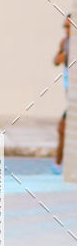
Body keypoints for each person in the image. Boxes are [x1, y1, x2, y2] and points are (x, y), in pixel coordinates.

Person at [52, 14, 71, 173]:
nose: (65, 30)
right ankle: (57, 165)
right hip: (69, 93)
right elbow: (56, 61)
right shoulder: (65, 42)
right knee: (62, 129)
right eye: (64, 26)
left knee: (63, 128)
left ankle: (58, 164)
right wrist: (64, 55)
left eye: (68, 27)